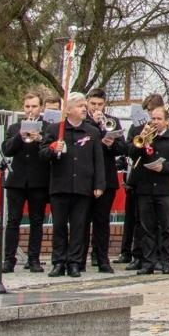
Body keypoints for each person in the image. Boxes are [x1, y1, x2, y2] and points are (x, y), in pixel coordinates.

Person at [42, 92, 106, 277]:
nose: (84, 109)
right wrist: (54, 149)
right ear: (68, 110)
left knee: (79, 226)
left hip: (82, 186)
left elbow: (98, 160)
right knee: (59, 226)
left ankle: (75, 262)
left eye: (84, 106)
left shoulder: (92, 132)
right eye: (79, 106)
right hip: (60, 185)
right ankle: (59, 261)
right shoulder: (55, 129)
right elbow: (43, 153)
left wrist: (99, 184)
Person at [127, 103, 169, 275]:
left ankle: (167, 261)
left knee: (166, 227)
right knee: (147, 229)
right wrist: (142, 138)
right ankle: (148, 262)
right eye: (153, 118)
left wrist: (165, 168)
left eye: (159, 119)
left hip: (164, 190)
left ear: (166, 122)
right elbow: (131, 153)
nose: (155, 122)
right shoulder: (145, 136)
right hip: (145, 189)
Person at [1, 90, 52, 273]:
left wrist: (41, 139)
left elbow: (51, 152)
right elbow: (6, 150)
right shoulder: (14, 128)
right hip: (17, 181)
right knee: (13, 220)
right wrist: (19, 137)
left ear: (41, 108)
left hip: (38, 181)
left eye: (34, 106)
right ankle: (9, 259)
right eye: (27, 106)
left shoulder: (47, 128)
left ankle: (34, 259)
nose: (30, 110)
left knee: (36, 221)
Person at [120, 92, 164, 267]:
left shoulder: (168, 128)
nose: (150, 117)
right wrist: (143, 136)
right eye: (148, 112)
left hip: (159, 179)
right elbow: (129, 151)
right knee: (139, 220)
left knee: (159, 221)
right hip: (140, 178)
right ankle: (138, 256)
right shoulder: (137, 128)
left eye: (153, 112)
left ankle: (159, 257)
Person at [85, 88, 124, 272]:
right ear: (87, 103)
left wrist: (112, 144)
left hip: (106, 177)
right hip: (86, 177)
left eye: (100, 104)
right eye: (93, 104)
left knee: (102, 221)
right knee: (82, 220)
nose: (96, 108)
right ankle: (78, 259)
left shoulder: (112, 122)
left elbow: (123, 147)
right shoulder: (82, 122)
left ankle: (102, 259)